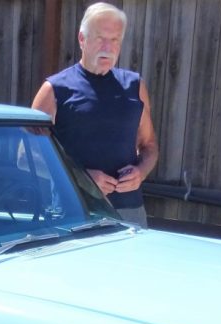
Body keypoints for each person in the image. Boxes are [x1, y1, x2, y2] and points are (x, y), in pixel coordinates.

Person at [32, 2, 157, 227]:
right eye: (101, 38)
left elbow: (149, 146)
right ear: (82, 39)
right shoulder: (54, 90)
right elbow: (28, 157)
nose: (108, 48)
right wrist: (83, 178)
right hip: (73, 211)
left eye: (115, 40)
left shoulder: (135, 86)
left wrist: (141, 172)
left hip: (130, 213)